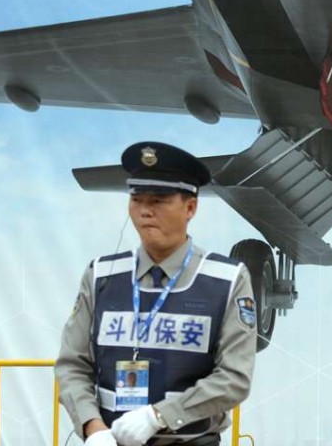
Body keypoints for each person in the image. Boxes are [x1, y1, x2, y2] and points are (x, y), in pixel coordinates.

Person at [55, 142, 258, 446]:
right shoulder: (101, 276)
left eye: (159, 200)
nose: (145, 211)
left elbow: (234, 378)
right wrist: (92, 427)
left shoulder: (227, 280)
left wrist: (159, 416)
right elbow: (72, 365)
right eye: (136, 199)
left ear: (190, 207)